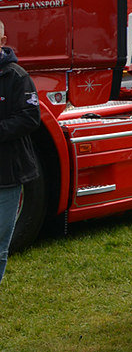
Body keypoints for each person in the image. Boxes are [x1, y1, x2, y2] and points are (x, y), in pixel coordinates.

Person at [0, 19, 41, 285]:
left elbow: (30, 117)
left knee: (0, 240)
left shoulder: (17, 76)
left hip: (7, 174)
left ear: (2, 42)